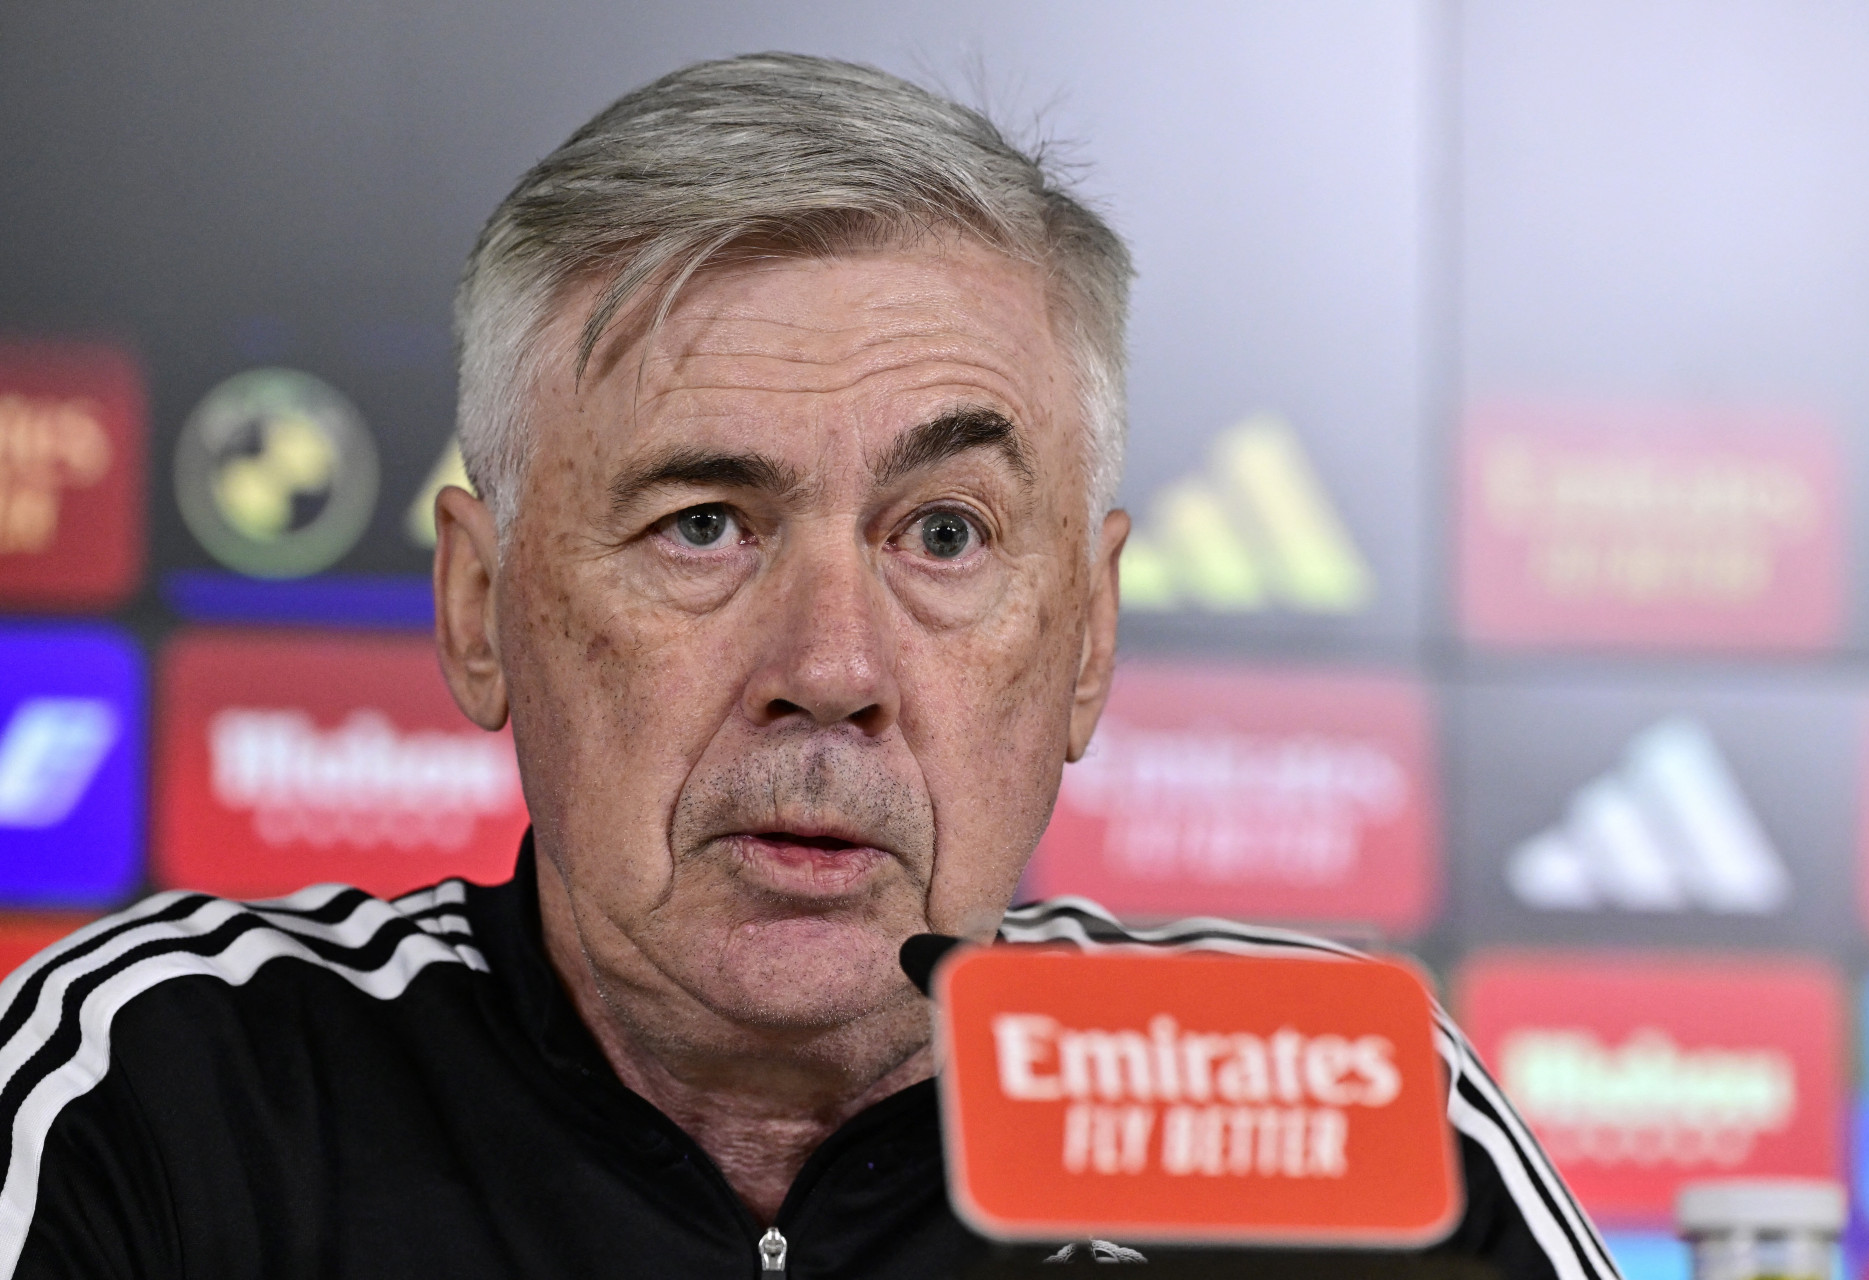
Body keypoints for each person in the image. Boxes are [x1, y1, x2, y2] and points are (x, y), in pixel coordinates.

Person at [0, 54, 1617, 1279]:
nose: (833, 668)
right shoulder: (164, 1097)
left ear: (1089, 643)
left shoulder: (1342, 1121)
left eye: (947, 537)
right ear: (479, 609)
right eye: (704, 524)